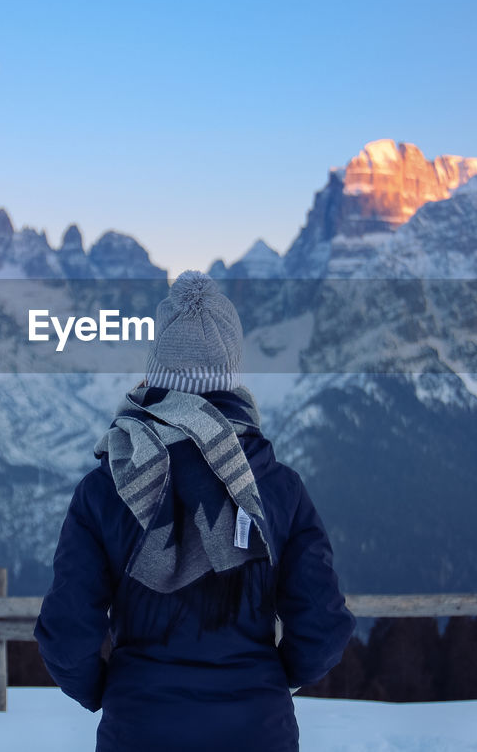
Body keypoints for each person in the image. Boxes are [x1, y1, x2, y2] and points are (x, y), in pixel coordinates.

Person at [34, 270, 355, 751]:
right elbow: (323, 626)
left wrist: (112, 690)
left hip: (138, 731)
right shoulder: (279, 488)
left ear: (156, 369)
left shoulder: (105, 488)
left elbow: (66, 633)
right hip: (259, 732)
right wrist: (269, 680)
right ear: (232, 372)